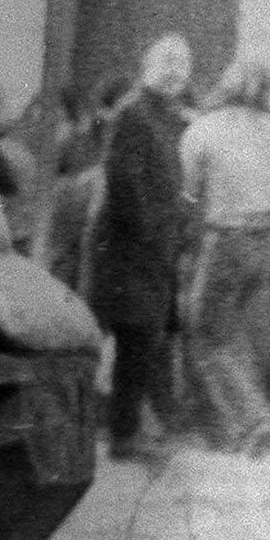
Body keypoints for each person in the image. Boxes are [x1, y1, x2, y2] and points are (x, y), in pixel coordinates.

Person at [177, 56, 270, 456]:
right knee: (241, 328)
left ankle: (255, 421)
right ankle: (263, 419)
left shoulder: (203, 129)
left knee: (207, 335)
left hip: (227, 239)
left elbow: (186, 191)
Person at [88, 33, 191, 462]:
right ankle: (123, 436)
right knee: (132, 338)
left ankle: (132, 431)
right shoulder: (133, 113)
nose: (173, 72)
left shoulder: (171, 117)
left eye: (181, 64)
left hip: (155, 248)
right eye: (165, 62)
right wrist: (153, 229)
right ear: (146, 65)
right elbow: (125, 182)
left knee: (146, 339)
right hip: (130, 247)